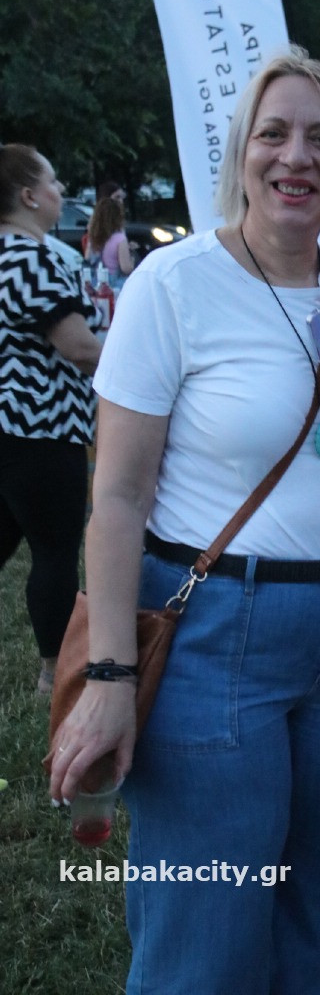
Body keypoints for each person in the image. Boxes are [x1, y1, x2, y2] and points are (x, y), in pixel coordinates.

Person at [48, 49, 320, 994]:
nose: (297, 157)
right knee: (205, 935)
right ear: (241, 152)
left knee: (318, 916)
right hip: (215, 631)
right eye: (274, 134)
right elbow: (115, 498)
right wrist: (111, 676)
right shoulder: (173, 285)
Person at [0, 144, 102, 694]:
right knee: (55, 550)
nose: (60, 191)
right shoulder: (30, 260)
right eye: (53, 181)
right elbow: (79, 348)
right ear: (28, 195)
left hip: (7, 427)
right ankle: (54, 671)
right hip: (40, 427)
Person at [84, 193, 134, 288]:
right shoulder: (120, 238)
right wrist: (132, 260)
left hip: (96, 283)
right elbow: (126, 268)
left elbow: (87, 259)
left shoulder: (93, 237)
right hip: (114, 285)